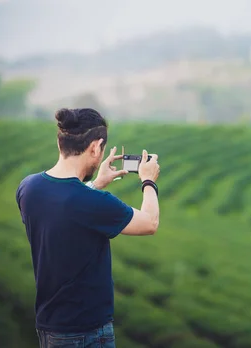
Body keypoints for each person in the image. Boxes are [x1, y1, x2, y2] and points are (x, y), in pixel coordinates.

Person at [15, 107, 160, 347]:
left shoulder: (28, 188)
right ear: (95, 147)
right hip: (86, 332)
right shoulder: (93, 203)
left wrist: (95, 184)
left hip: (49, 327)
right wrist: (148, 180)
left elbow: (65, 206)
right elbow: (150, 223)